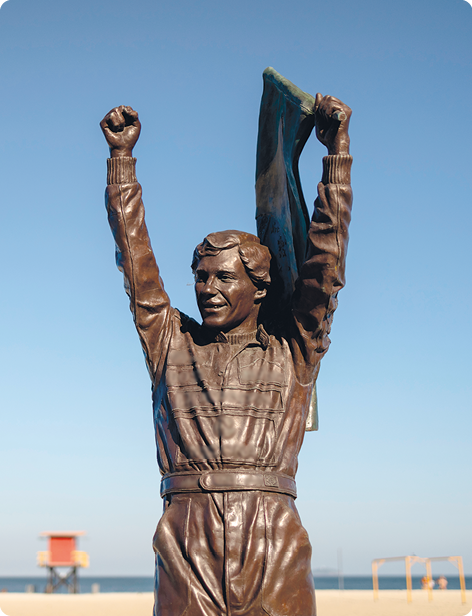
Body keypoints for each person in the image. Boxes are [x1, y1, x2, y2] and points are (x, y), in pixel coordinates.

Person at [100, 92, 352, 616]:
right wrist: (122, 163)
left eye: (223, 277)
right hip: (186, 539)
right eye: (200, 277)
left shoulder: (293, 350)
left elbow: (325, 263)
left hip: (272, 539)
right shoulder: (172, 344)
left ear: (258, 287)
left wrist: (336, 159)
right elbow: (136, 261)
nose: (207, 288)